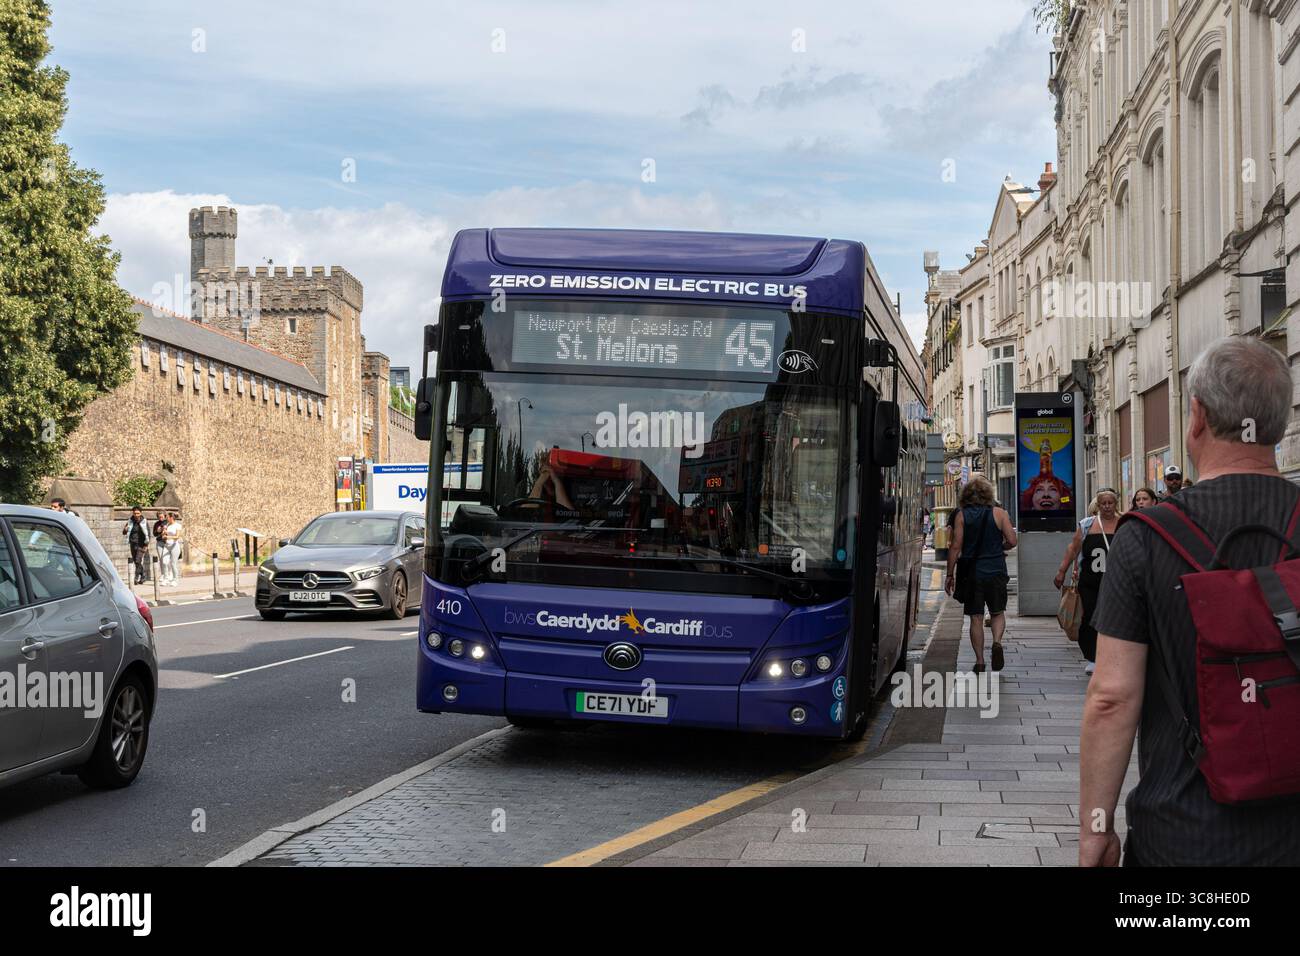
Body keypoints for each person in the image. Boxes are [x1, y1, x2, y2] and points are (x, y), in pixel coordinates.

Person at [1080, 335, 1300, 866]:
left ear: (1196, 416)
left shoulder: (1145, 538)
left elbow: (1111, 697)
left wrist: (1096, 828)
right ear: (1279, 421)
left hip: (1183, 838)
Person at [944, 476, 1016, 673]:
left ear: (966, 495)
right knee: (997, 612)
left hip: (972, 573)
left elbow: (956, 546)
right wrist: (999, 547)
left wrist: (950, 574)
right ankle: (997, 642)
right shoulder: (1000, 513)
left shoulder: (961, 515)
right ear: (988, 494)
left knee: (976, 617)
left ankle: (980, 661)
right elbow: (1012, 540)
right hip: (996, 570)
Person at [1053, 488, 1120, 674]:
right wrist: (1062, 572)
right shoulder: (1087, 525)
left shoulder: (1123, 523)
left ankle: (1112, 655)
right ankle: (1092, 657)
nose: (1107, 507)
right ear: (1097, 506)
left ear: (1116, 504)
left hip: (1117, 581)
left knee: (1115, 618)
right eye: (1103, 503)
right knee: (1090, 617)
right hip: (1090, 581)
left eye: (1110, 503)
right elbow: (1073, 549)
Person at [122, 506, 151, 584]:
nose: (136, 515)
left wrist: (146, 545)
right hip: (133, 543)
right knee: (136, 561)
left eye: (138, 513)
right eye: (135, 513)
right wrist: (125, 530)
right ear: (133, 513)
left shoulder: (144, 522)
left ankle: (136, 578)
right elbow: (124, 532)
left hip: (141, 544)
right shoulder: (130, 521)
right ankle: (143, 575)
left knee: (138, 560)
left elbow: (148, 534)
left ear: (141, 513)